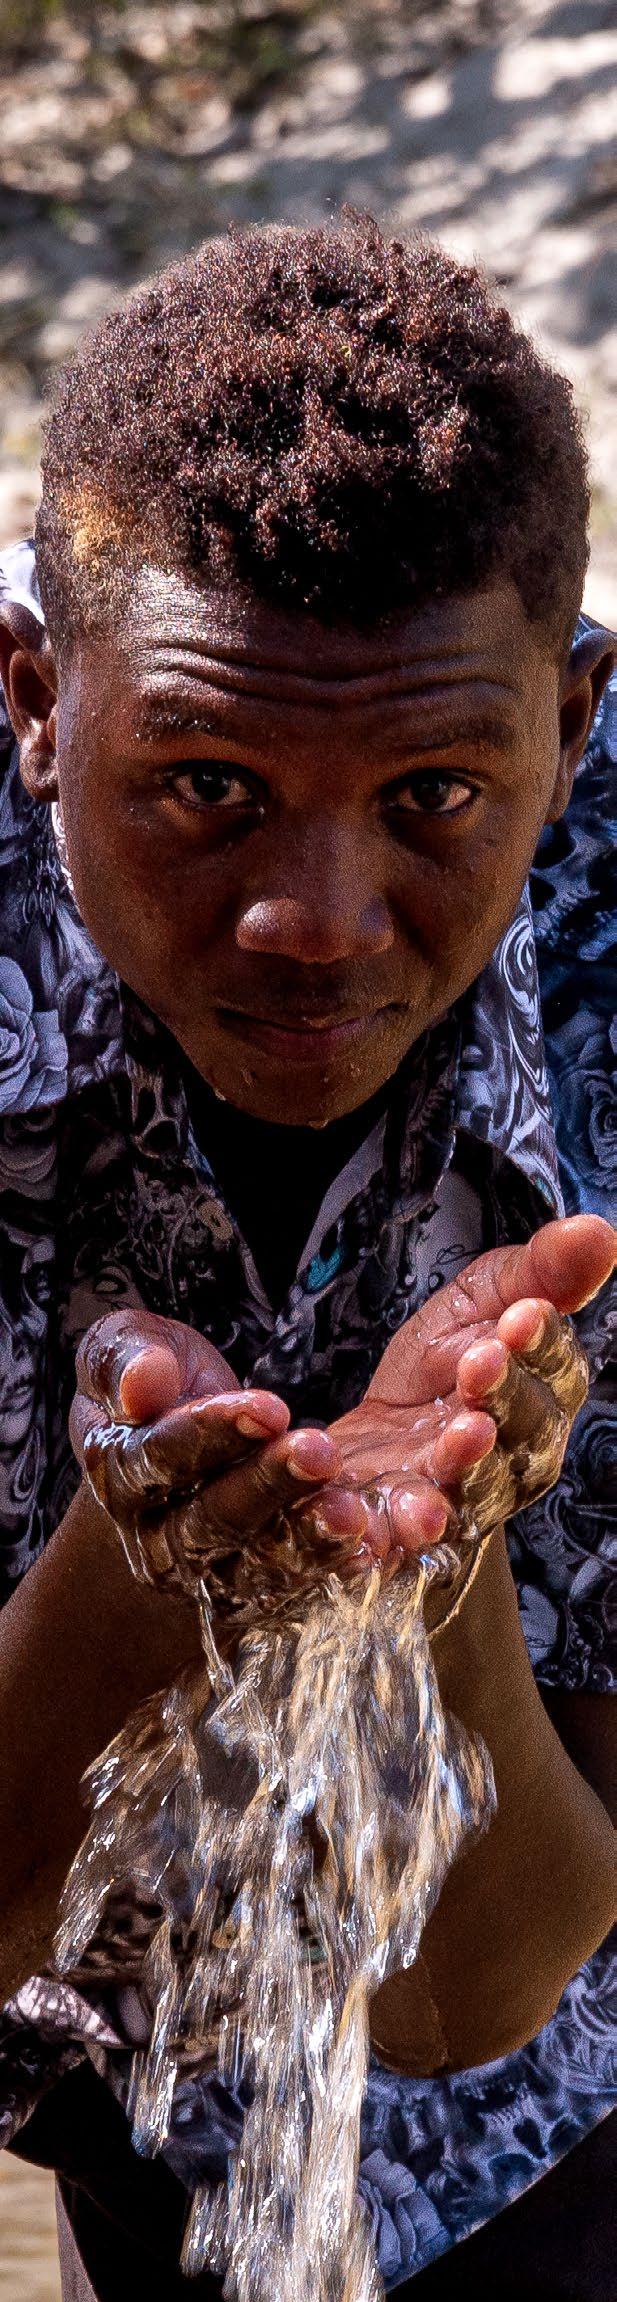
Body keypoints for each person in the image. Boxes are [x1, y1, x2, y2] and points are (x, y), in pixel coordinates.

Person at [0, 217, 614, 2299]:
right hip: (114, 2067)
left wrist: (435, 1568)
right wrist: (130, 1578)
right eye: (208, 786)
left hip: (555, 2140)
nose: (317, 921)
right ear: (33, 700)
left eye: (435, 791)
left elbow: (480, 1993)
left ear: (573, 725)